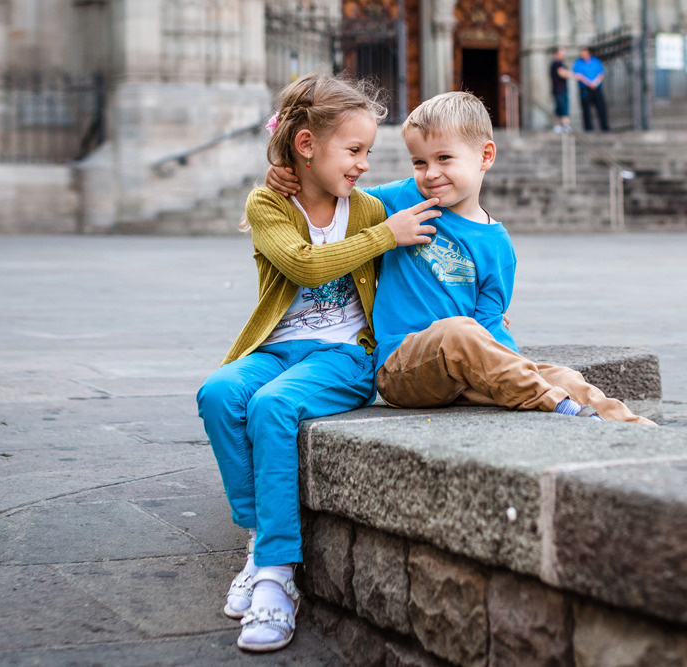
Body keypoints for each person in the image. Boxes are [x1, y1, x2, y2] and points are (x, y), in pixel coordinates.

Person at [196, 72, 439, 653]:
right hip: (278, 348)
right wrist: (385, 236)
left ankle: (279, 577)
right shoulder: (267, 203)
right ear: (305, 147)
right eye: (353, 150)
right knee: (220, 392)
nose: (362, 164)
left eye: (369, 152)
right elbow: (304, 266)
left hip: (344, 356)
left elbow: (432, 193)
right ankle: (261, 542)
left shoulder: (368, 207)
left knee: (273, 407)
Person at [266, 91, 654, 426]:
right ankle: (554, 404)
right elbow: (335, 189)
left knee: (563, 373)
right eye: (419, 162)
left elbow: (489, 322)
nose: (430, 173)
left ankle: (631, 426)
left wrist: (503, 359)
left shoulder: (498, 245)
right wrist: (284, 176)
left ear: (485, 155)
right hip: (403, 369)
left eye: (444, 158)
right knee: (459, 332)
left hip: (464, 368)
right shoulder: (399, 201)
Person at [572, 47, 609, 132]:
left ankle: (604, 127)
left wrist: (595, 82)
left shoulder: (596, 61)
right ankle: (588, 128)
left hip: (596, 87)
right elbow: (578, 75)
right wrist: (589, 83)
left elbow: (601, 74)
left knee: (601, 108)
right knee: (586, 110)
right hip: (585, 88)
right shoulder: (578, 63)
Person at [549, 47, 573, 133]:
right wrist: (573, 75)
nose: (564, 56)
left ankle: (557, 125)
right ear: (557, 54)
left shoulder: (557, 63)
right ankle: (565, 125)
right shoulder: (557, 63)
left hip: (559, 89)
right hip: (559, 89)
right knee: (563, 107)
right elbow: (562, 73)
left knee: (558, 108)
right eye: (562, 54)